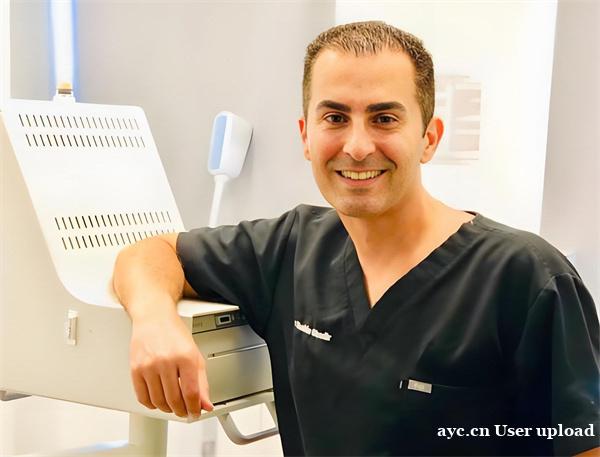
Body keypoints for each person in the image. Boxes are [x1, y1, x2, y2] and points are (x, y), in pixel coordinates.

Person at [113, 21, 600, 456]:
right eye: (335, 118)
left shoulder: (526, 278)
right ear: (306, 136)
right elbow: (150, 253)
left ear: (429, 138)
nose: (358, 146)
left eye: (385, 119)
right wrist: (155, 321)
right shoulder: (290, 248)